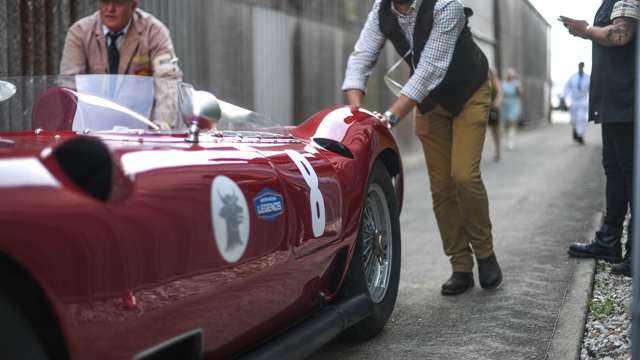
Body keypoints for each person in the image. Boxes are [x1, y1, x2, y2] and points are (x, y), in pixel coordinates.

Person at [342, 0, 502, 295]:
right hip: (430, 105)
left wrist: (388, 118)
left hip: (469, 92)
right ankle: (461, 265)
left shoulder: (446, 7)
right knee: (441, 186)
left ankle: (485, 252)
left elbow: (428, 71)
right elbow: (361, 58)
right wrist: (356, 113)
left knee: (464, 176)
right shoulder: (382, 10)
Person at [562, 0, 638, 277]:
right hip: (615, 103)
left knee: (632, 178)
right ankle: (609, 241)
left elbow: (621, 35)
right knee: (616, 172)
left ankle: (635, 255)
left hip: (627, 103)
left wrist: (586, 30)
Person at [59, 0, 182, 129]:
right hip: (91, 129)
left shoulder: (154, 31)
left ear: (133, 5)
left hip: (140, 128)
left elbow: (167, 80)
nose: (110, 8)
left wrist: (162, 124)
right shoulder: (79, 32)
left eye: (118, 2)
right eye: (105, 2)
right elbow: (70, 84)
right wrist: (70, 127)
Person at [564, 62, 591, 144]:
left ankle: (580, 135)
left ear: (583, 67)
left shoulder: (588, 78)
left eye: (582, 67)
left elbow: (592, 90)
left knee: (581, 118)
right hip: (574, 100)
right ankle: (575, 130)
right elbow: (567, 87)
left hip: (583, 101)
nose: (580, 68)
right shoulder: (573, 77)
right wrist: (566, 98)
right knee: (574, 119)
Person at [501, 68, 522, 149]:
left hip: (514, 105)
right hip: (505, 105)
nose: (510, 77)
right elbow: (501, 93)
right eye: (509, 75)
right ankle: (508, 138)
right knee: (507, 123)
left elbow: (520, 94)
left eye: (512, 76)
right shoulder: (503, 83)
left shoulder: (516, 83)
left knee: (511, 121)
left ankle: (510, 140)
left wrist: (518, 89)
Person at [488, 69, 503, 161]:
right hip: (483, 109)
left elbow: (500, 94)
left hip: (493, 109)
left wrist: (496, 104)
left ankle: (497, 151)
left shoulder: (495, 81)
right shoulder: (482, 82)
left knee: (495, 131)